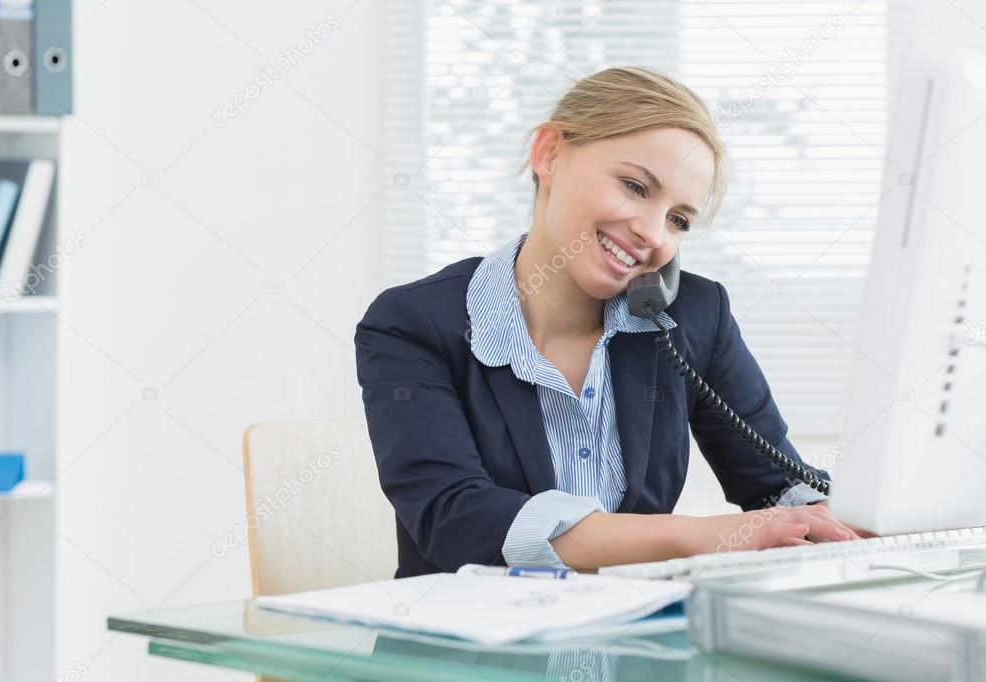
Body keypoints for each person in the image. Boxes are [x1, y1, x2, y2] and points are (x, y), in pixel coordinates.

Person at [355, 66, 859, 579]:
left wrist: (849, 522)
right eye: (635, 187)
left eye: (678, 220)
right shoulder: (413, 325)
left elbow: (779, 486)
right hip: (468, 629)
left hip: (637, 627)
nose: (652, 234)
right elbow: (457, 520)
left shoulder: (691, 317)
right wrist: (699, 537)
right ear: (549, 153)